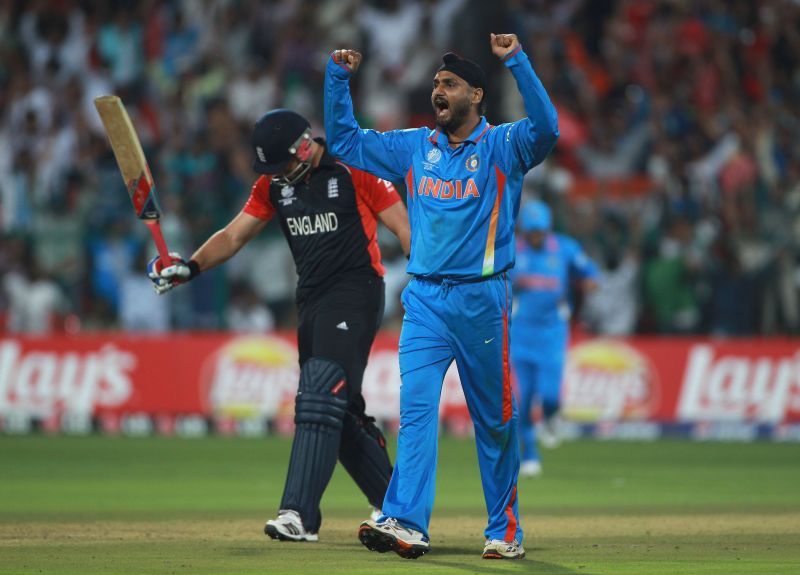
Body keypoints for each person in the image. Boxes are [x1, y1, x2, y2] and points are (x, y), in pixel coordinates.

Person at [325, 33, 559, 560]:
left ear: (476, 95)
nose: (439, 91)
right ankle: (407, 520)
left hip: (482, 303)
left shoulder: (505, 146)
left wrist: (518, 61)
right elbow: (344, 142)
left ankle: (505, 530)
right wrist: (338, 79)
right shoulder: (415, 146)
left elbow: (548, 128)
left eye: (450, 84)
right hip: (425, 300)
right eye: (435, 83)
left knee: (494, 421)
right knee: (416, 412)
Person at [147, 108, 411, 542]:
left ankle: (299, 514)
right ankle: (400, 510)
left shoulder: (353, 168)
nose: (279, 175)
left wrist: (425, 283)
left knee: (321, 390)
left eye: (283, 163)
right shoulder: (274, 185)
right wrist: (190, 267)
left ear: (305, 145)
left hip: (357, 291)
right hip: (310, 300)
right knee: (338, 411)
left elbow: (404, 227)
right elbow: (233, 237)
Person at [511, 200, 599, 478]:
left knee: (549, 395)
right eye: (531, 231)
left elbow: (591, 274)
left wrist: (588, 284)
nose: (536, 236)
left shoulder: (565, 248)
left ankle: (550, 416)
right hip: (521, 333)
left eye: (540, 231)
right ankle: (530, 454)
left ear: (548, 229)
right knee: (523, 398)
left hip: (552, 334)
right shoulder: (512, 249)